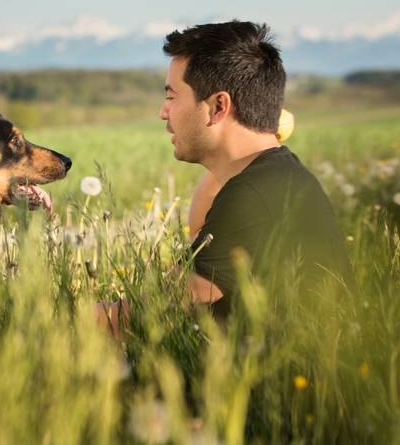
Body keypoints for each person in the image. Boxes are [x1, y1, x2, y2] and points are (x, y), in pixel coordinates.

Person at [93, 21, 355, 341]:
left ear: (219, 106)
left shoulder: (252, 195)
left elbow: (149, 312)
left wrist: (59, 320)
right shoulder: (279, 173)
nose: (164, 112)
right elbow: (198, 237)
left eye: (173, 97)